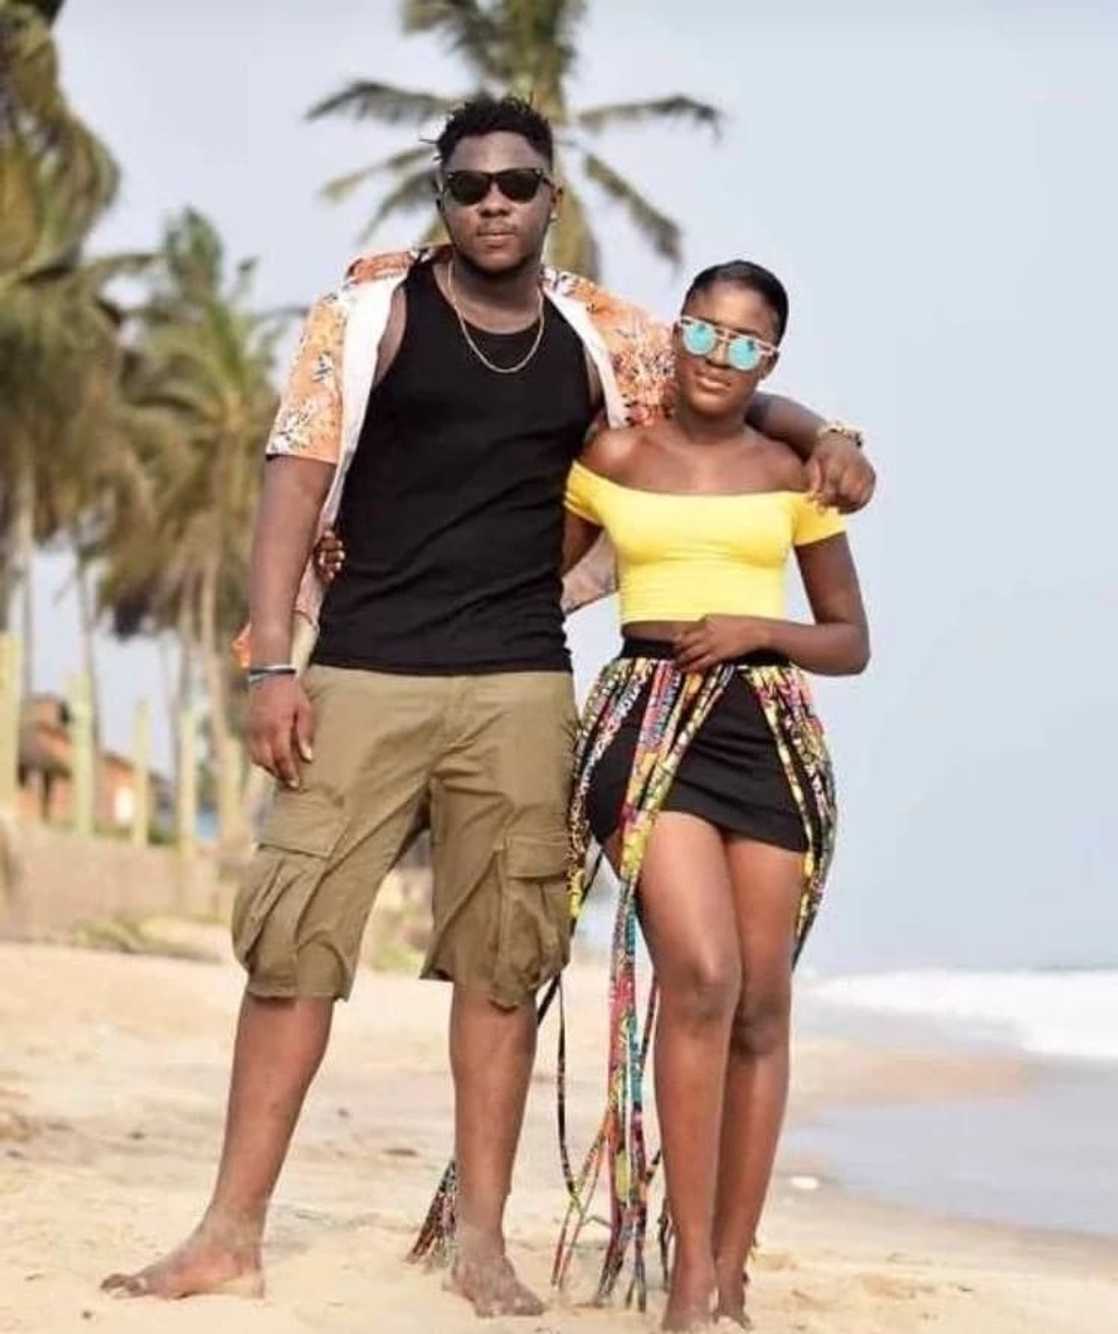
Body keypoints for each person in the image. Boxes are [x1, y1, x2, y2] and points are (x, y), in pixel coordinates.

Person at [100, 95, 874, 1317]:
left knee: (505, 966)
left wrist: (822, 428)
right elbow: (290, 485)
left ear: (550, 195)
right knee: (294, 944)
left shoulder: (604, 332)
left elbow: (721, 385)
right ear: (443, 197)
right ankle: (228, 1230)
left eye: (517, 183)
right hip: (361, 666)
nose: (494, 204)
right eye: (470, 187)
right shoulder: (364, 317)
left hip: (520, 678)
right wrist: (270, 663)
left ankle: (483, 1246)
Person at [552, 260, 870, 1331]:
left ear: (769, 361)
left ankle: (732, 1268)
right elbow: (525, 581)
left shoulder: (794, 471)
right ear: (677, 332)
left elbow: (847, 640)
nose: (719, 358)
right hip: (646, 721)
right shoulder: (608, 455)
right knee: (699, 972)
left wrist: (759, 630)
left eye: (747, 344)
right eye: (705, 331)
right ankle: (687, 1278)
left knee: (762, 1000)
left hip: (767, 730)